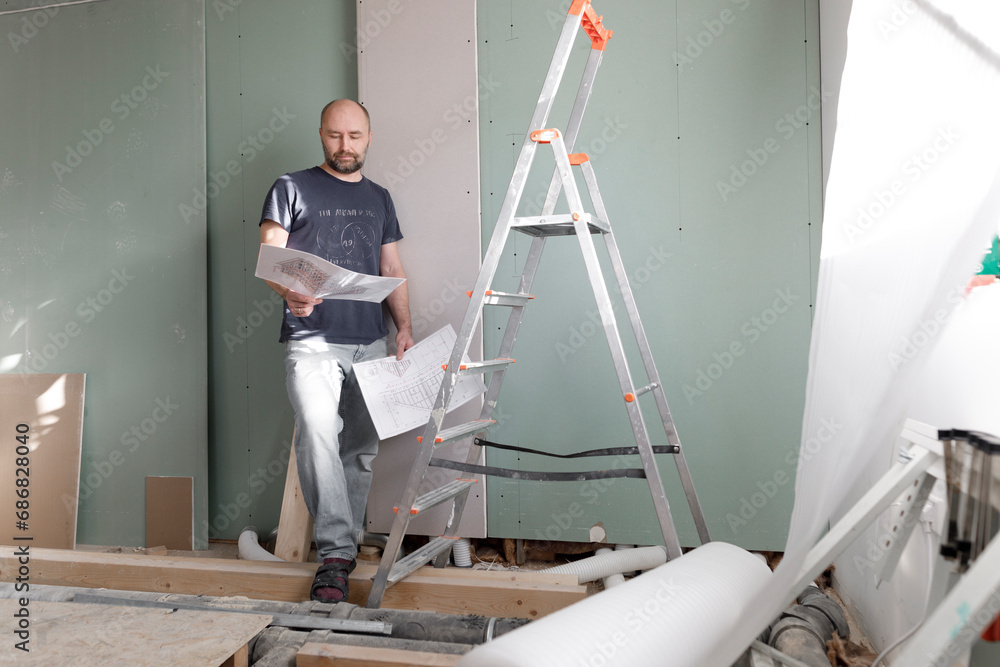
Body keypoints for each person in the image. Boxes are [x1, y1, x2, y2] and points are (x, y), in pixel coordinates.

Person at [259, 98, 414, 602]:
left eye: (354, 136)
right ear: (320, 134)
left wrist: (404, 329)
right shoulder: (291, 186)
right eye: (334, 135)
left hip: (371, 340)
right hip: (312, 343)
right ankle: (335, 555)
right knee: (318, 434)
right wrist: (290, 292)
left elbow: (391, 268)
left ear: (369, 137)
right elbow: (272, 253)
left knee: (360, 452)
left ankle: (342, 547)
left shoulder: (380, 197)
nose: (344, 146)